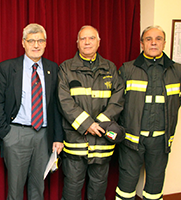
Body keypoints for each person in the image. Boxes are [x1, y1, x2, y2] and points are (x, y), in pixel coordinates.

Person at [0, 23, 64, 200]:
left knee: (38, 188)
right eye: (31, 41)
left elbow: (56, 106)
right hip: (16, 134)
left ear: (46, 43)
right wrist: (7, 135)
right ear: (23, 43)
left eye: (40, 40)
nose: (36, 45)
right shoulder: (6, 68)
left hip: (44, 136)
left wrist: (57, 137)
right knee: (15, 189)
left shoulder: (53, 69)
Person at [57, 25, 124, 200]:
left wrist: (99, 125)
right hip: (76, 142)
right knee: (71, 190)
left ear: (99, 42)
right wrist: (88, 125)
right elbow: (64, 101)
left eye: (91, 38)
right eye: (83, 39)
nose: (87, 42)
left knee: (98, 189)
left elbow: (118, 99)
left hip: (102, 142)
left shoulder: (110, 68)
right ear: (77, 43)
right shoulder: (66, 68)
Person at [115, 25, 181, 200]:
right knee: (126, 188)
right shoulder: (127, 69)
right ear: (142, 44)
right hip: (131, 140)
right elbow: (116, 104)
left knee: (155, 187)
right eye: (148, 39)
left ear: (164, 43)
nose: (153, 43)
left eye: (158, 39)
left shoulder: (177, 71)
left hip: (161, 141)